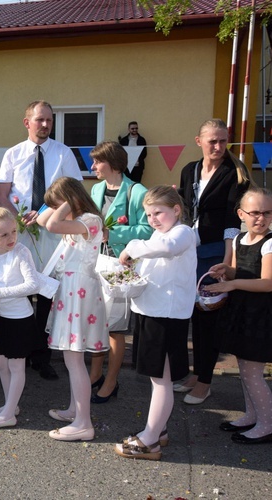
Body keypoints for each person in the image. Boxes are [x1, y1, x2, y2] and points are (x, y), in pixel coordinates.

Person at [0, 100, 83, 381]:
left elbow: (74, 194)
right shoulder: (13, 154)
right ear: (27, 123)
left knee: (47, 294)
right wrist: (17, 218)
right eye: (40, 120)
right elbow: (1, 195)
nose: (45, 125)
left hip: (53, 234)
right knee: (20, 290)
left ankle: (42, 356)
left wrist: (44, 212)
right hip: (20, 233)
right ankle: (19, 350)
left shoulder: (63, 153)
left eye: (49, 120)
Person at [115, 186, 196, 460]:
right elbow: (151, 265)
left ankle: (149, 440)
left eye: (158, 212)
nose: (153, 219)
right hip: (151, 312)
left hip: (167, 316)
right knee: (156, 378)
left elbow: (167, 248)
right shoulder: (156, 235)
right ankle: (158, 430)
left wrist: (132, 247)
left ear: (176, 210)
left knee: (162, 380)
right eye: (149, 214)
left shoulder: (182, 233)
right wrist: (130, 269)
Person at [174, 119, 250, 404]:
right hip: (188, 252)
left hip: (215, 253)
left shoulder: (233, 173)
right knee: (191, 314)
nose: (218, 147)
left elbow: (233, 222)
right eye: (212, 141)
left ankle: (205, 381)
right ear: (199, 141)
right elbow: (184, 207)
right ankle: (197, 373)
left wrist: (228, 263)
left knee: (208, 316)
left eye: (223, 141)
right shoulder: (189, 170)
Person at [37, 177, 108, 442]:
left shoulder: (90, 220)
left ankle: (83, 423)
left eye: (60, 204)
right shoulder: (79, 221)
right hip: (71, 290)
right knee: (71, 358)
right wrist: (61, 199)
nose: (58, 210)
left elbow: (52, 223)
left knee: (74, 358)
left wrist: (67, 200)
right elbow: (46, 221)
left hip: (79, 292)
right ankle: (75, 410)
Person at [204, 187, 272, 444]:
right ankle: (252, 415)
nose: (261, 218)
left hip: (261, 314)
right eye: (255, 212)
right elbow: (238, 271)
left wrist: (232, 284)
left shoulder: (270, 243)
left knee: (253, 372)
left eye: (267, 213)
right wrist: (226, 271)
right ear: (241, 214)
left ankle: (267, 424)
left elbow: (267, 282)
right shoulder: (240, 239)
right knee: (245, 369)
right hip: (242, 311)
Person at [88, 141, 152, 403]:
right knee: (97, 323)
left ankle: (112, 381)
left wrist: (113, 232)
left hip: (122, 267)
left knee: (115, 328)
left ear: (112, 163)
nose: (93, 166)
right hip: (97, 263)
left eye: (97, 161)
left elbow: (148, 230)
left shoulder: (136, 192)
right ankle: (95, 374)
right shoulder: (96, 189)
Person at [0, 206, 40, 429]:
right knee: (0, 361)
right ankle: (10, 406)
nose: (11, 238)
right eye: (3, 235)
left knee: (16, 365)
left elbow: (32, 285)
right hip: (0, 316)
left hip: (20, 318)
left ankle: (9, 415)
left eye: (13, 231)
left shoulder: (21, 252)